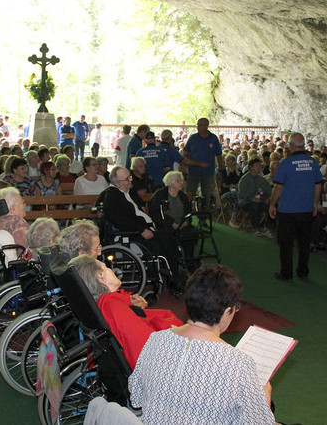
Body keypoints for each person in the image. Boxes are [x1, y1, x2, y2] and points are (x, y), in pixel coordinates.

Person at [128, 264, 274, 424]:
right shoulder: (238, 363)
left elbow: (136, 397)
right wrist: (265, 399)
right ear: (226, 313)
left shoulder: (155, 340)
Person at [69, 254, 182, 370]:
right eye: (106, 267)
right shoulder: (112, 307)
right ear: (100, 276)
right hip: (160, 362)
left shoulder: (106, 304)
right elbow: (146, 349)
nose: (110, 270)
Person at [103, 167, 184, 290]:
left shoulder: (129, 192)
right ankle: (174, 277)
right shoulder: (113, 197)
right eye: (127, 179)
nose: (131, 180)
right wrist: (141, 230)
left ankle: (176, 273)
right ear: (118, 183)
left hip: (144, 228)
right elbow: (121, 220)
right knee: (166, 240)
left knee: (170, 236)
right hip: (134, 233)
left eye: (130, 177)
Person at [269, 132, 323, 281]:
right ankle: (303, 272)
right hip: (306, 209)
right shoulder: (313, 163)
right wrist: (315, 204)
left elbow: (278, 187)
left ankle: (286, 273)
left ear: (291, 146)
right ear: (303, 145)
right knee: (304, 243)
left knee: (286, 244)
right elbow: (318, 186)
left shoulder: (286, 163)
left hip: (288, 210)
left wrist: (272, 204)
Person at [148, 171, 196, 267]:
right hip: (166, 225)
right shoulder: (160, 195)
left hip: (182, 225)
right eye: (178, 181)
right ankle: (175, 263)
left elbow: (188, 212)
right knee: (168, 236)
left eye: (181, 181)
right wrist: (171, 223)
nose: (181, 183)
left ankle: (189, 261)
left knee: (191, 234)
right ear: (171, 183)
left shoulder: (182, 196)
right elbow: (155, 214)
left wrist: (186, 222)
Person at [183, 118, 223, 210]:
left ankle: (204, 218)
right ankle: (187, 214)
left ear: (206, 126)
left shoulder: (213, 138)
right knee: (190, 193)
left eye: (201, 125)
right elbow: (186, 151)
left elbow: (219, 155)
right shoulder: (193, 138)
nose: (198, 127)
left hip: (208, 172)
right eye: (197, 125)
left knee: (206, 195)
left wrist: (220, 169)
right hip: (193, 171)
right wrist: (186, 160)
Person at [237, 158, 273, 236]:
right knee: (255, 206)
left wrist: (269, 198)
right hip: (246, 202)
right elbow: (242, 194)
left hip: (260, 200)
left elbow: (268, 190)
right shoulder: (244, 179)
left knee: (271, 206)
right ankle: (255, 228)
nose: (259, 167)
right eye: (257, 165)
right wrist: (252, 198)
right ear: (251, 167)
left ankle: (268, 228)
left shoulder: (261, 179)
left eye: (259, 165)